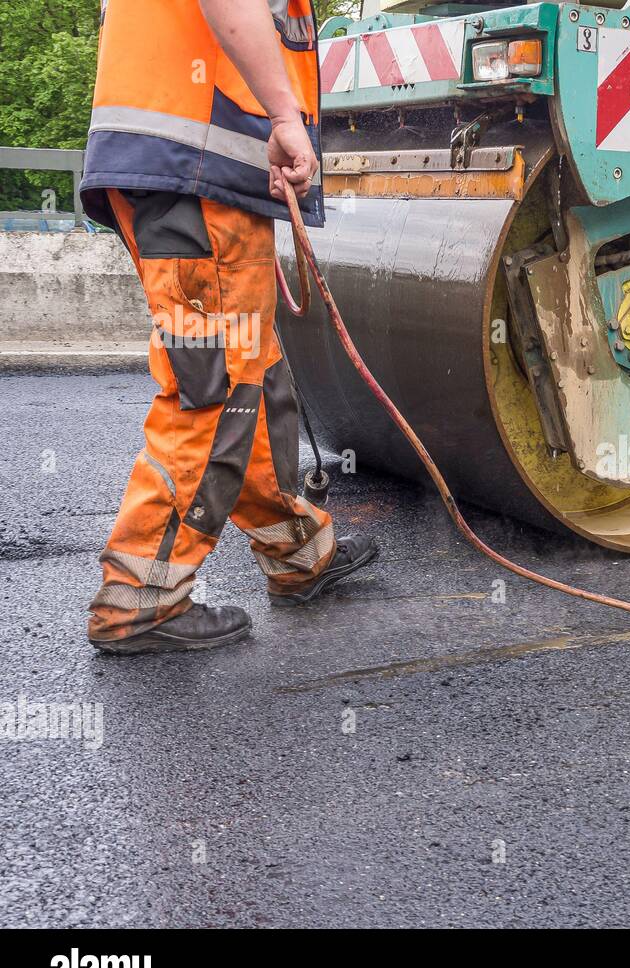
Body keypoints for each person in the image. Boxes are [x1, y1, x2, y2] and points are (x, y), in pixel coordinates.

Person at [79, 0, 377, 654]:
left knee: (255, 380)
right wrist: (283, 117)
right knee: (214, 392)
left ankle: (297, 553)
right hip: (195, 167)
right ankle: (141, 598)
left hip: (184, 166)